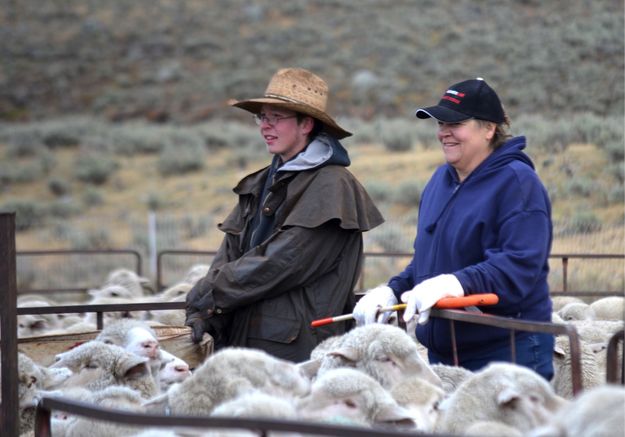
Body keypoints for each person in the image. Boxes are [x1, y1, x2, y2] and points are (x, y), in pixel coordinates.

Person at [353, 78, 554, 380]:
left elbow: (520, 266)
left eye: (455, 123)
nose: (443, 132)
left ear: (489, 129)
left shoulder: (518, 183)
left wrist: (455, 283)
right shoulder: (440, 181)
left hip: (507, 352)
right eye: (440, 123)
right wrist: (392, 291)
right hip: (444, 357)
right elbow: (429, 262)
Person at [185, 67, 384, 362]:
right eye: (262, 117)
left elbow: (284, 261)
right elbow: (231, 249)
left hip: (297, 351)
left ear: (306, 124)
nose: (265, 126)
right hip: (248, 341)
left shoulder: (332, 185)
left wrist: (211, 292)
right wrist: (207, 311)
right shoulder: (263, 181)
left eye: (276, 117)